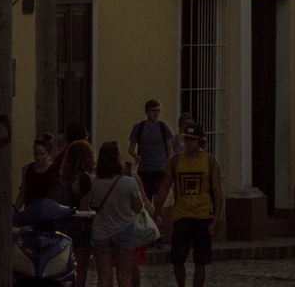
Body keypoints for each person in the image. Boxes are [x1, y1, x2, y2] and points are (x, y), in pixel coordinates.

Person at [152, 121, 222, 287]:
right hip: (182, 217)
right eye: (186, 139)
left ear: (200, 141)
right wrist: (157, 213)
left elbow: (217, 192)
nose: (189, 143)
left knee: (201, 261)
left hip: (203, 216)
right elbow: (164, 187)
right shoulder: (174, 161)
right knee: (177, 260)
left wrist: (216, 219)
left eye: (192, 139)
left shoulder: (210, 162)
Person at [83, 141, 148, 287]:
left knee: (104, 276)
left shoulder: (93, 183)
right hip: (124, 230)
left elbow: (85, 207)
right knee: (125, 276)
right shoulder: (128, 182)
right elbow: (138, 208)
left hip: (101, 231)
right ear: (117, 158)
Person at [59, 139, 97, 287]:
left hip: (65, 228)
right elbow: (84, 210)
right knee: (80, 271)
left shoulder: (64, 179)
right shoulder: (84, 179)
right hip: (81, 230)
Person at [128, 100, 175, 199]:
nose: (156, 113)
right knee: (145, 198)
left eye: (158, 111)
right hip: (144, 169)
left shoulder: (163, 127)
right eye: (153, 111)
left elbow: (169, 147)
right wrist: (136, 156)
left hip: (160, 168)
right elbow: (131, 149)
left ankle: (157, 214)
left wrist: (171, 164)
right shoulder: (139, 128)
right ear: (146, 112)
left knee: (159, 197)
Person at [17, 133, 59, 210]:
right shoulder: (28, 169)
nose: (38, 157)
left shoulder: (53, 170)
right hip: (31, 211)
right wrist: (16, 211)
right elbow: (22, 193)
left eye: (42, 154)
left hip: (47, 212)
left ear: (48, 154)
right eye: (36, 154)